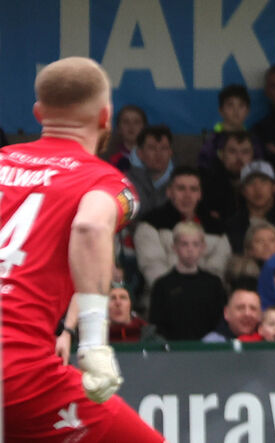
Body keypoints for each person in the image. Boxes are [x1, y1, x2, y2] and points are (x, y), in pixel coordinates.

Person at [1, 56, 164, 441]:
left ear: (39, 113)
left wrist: (65, 327)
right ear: (106, 118)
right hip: (19, 372)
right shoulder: (106, 181)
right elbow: (90, 228)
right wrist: (94, 344)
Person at [133, 167, 232, 298]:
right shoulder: (151, 224)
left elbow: (218, 269)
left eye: (193, 189)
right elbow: (153, 267)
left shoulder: (217, 228)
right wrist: (180, 295)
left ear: (200, 194)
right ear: (169, 192)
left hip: (207, 300)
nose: (187, 195)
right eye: (181, 188)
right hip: (164, 299)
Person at [148, 222, 227, 341]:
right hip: (173, 351)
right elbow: (156, 325)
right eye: (184, 244)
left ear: (203, 247)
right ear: (174, 247)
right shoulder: (162, 285)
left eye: (195, 244)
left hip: (209, 349)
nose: (190, 250)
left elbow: (221, 320)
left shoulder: (214, 284)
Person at [226, 160, 275, 254]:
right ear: (243, 191)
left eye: (263, 181)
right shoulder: (232, 226)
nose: (258, 188)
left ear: (274, 187)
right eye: (250, 183)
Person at [197, 84, 263, 171]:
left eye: (241, 105)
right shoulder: (212, 139)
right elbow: (203, 167)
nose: (236, 111)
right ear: (221, 110)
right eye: (230, 105)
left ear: (247, 111)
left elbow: (259, 167)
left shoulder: (253, 139)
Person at [199, 130, 255, 221]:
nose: (239, 157)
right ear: (221, 154)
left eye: (245, 152)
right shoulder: (205, 184)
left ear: (252, 156)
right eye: (232, 151)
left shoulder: (260, 184)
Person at [122, 124, 175, 215]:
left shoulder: (181, 181)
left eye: (164, 148)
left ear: (170, 152)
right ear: (140, 153)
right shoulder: (126, 182)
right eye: (152, 148)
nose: (158, 154)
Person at [105, 103, 146, 168]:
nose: (131, 126)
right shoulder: (107, 156)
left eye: (136, 122)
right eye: (126, 122)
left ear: (144, 127)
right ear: (118, 127)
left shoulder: (151, 155)